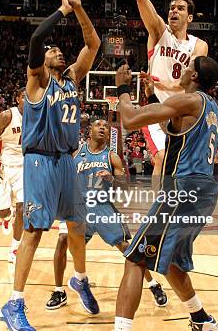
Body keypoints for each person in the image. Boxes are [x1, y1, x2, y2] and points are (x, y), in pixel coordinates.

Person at [88, 56, 218, 331]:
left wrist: (122, 90)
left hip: (182, 190)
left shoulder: (189, 99)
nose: (183, 68)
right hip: (203, 194)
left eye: (188, 65)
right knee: (172, 261)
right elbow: (169, 126)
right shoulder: (209, 107)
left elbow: (131, 120)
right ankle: (201, 319)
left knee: (135, 258)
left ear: (193, 74)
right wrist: (150, 97)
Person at [0, 0, 101, 331]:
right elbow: (35, 40)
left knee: (76, 225)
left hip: (66, 160)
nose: (58, 51)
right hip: (40, 159)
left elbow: (93, 44)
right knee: (35, 230)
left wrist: (79, 6)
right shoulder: (37, 81)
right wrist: (62, 11)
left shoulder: (71, 77)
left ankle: (80, 279)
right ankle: (14, 302)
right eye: (53, 50)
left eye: (60, 50)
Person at [46, 119, 168, 310]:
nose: (102, 127)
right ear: (89, 131)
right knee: (62, 241)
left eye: (105, 125)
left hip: (102, 207)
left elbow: (124, 187)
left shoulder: (112, 157)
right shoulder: (76, 152)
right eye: (98, 125)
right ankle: (59, 290)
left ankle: (154, 285)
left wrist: (111, 178)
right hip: (78, 208)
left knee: (126, 247)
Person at [126, 0, 208, 188]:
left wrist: (161, 82)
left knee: (181, 166)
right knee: (160, 158)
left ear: (190, 18)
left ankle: (176, 206)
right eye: (172, 7)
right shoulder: (159, 31)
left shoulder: (200, 45)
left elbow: (192, 82)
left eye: (180, 9)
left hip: (183, 110)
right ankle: (157, 209)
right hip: (156, 105)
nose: (174, 11)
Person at [0, 88, 26, 264]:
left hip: (25, 167)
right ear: (17, 98)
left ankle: (15, 249)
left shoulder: (38, 117)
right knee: (3, 212)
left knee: (22, 208)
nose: (27, 99)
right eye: (23, 97)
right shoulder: (7, 116)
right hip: (5, 166)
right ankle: (6, 218)